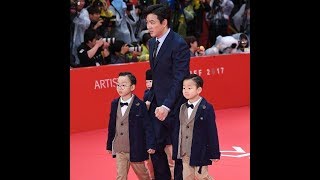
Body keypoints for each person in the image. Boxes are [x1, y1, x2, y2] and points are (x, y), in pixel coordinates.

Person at [143, 4, 191, 180]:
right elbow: (157, 77)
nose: (148, 26)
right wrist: (150, 98)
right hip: (156, 104)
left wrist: (166, 105)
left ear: (164, 22)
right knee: (154, 146)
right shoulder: (151, 42)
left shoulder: (179, 44)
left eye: (152, 22)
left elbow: (180, 79)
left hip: (175, 106)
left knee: (178, 152)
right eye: (147, 22)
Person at [106, 72, 156, 180]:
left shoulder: (140, 105)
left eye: (123, 85)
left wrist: (150, 144)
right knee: (120, 176)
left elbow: (147, 126)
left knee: (143, 175)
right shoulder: (114, 103)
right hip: (120, 148)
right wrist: (110, 144)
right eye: (118, 85)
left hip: (136, 148)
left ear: (132, 87)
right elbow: (112, 125)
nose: (120, 88)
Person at [172, 74, 221, 180]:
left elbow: (212, 131)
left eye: (190, 88)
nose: (186, 91)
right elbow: (178, 130)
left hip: (200, 150)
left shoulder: (207, 108)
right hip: (184, 151)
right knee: (187, 177)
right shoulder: (182, 107)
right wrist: (177, 149)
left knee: (202, 176)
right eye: (184, 88)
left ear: (199, 90)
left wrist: (214, 152)